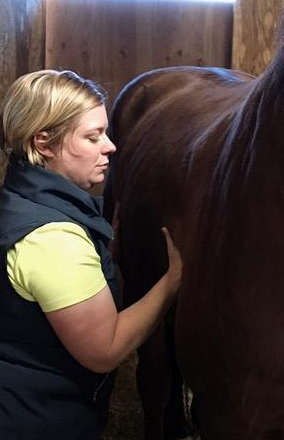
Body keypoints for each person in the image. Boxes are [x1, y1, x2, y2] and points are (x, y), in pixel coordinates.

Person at [0, 69, 182, 439]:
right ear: (44, 143)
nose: (110, 146)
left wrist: (102, 252)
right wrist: (173, 281)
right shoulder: (53, 241)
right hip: (39, 422)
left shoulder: (19, 200)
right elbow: (105, 350)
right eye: (92, 136)